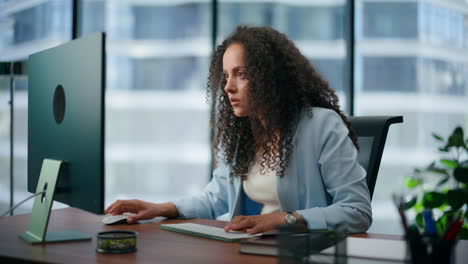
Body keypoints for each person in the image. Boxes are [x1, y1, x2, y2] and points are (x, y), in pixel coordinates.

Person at [105, 25, 372, 234]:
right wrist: (161, 207)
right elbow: (214, 199)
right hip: (252, 250)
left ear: (270, 78)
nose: (228, 87)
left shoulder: (321, 125)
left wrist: (286, 219)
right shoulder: (245, 134)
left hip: (304, 253)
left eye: (241, 74)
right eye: (226, 75)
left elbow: (357, 211)